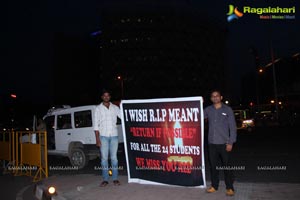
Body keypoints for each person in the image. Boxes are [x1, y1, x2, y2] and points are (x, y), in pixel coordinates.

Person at [204, 90, 237, 196]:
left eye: (217, 96)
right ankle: (214, 186)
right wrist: (199, 103)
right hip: (212, 143)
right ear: (211, 98)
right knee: (213, 166)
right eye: (213, 96)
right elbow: (198, 116)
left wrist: (230, 142)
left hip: (224, 143)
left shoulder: (227, 109)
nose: (215, 98)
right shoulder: (208, 110)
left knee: (227, 166)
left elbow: (232, 127)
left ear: (221, 97)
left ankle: (230, 187)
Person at [94, 90, 121, 187]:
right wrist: (97, 139)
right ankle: (105, 179)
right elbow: (96, 125)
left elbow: (123, 116)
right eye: (104, 96)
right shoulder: (98, 108)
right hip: (103, 136)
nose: (106, 97)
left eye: (108, 95)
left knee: (114, 159)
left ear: (110, 97)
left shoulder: (115, 107)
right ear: (102, 97)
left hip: (114, 135)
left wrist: (127, 106)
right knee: (104, 159)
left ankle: (115, 178)